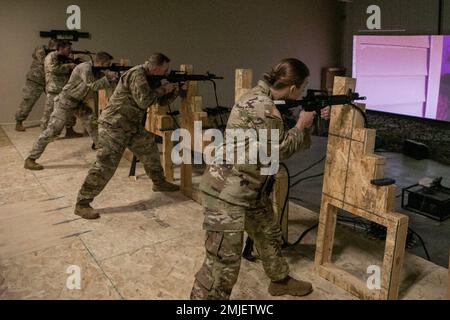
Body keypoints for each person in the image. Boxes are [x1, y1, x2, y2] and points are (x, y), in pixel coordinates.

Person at [190, 58, 331, 300]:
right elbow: (280, 150)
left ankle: (280, 281)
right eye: (304, 87)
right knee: (223, 263)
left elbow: (269, 133)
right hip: (228, 192)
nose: (304, 92)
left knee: (269, 234)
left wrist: (308, 117)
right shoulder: (265, 107)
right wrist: (302, 123)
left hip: (251, 187)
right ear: (294, 87)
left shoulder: (259, 95)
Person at [74, 53, 180, 220]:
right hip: (114, 126)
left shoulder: (151, 77)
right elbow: (144, 101)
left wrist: (175, 91)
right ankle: (82, 203)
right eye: (165, 69)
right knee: (105, 165)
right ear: (155, 67)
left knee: (150, 152)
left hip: (131, 125)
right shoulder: (137, 74)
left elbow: (160, 102)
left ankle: (159, 183)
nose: (167, 72)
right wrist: (163, 89)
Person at [24, 52, 117, 171]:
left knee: (93, 124)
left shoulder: (96, 70)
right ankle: (31, 159)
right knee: (52, 131)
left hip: (77, 102)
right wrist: (108, 77)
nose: (107, 67)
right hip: (65, 102)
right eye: (107, 64)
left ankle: (104, 157)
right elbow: (93, 85)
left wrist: (113, 78)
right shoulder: (85, 67)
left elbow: (102, 83)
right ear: (101, 62)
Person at [42, 39, 81, 137]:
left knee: (69, 111)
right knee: (50, 112)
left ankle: (70, 131)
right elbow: (53, 69)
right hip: (54, 89)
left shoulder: (65, 57)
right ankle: (45, 133)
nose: (70, 50)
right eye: (68, 48)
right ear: (61, 48)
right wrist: (69, 66)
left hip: (65, 89)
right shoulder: (51, 57)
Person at [15, 40, 56, 131]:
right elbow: (43, 60)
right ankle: (19, 122)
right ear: (50, 45)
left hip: (48, 80)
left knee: (57, 100)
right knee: (28, 101)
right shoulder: (41, 49)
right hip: (35, 80)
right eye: (55, 47)